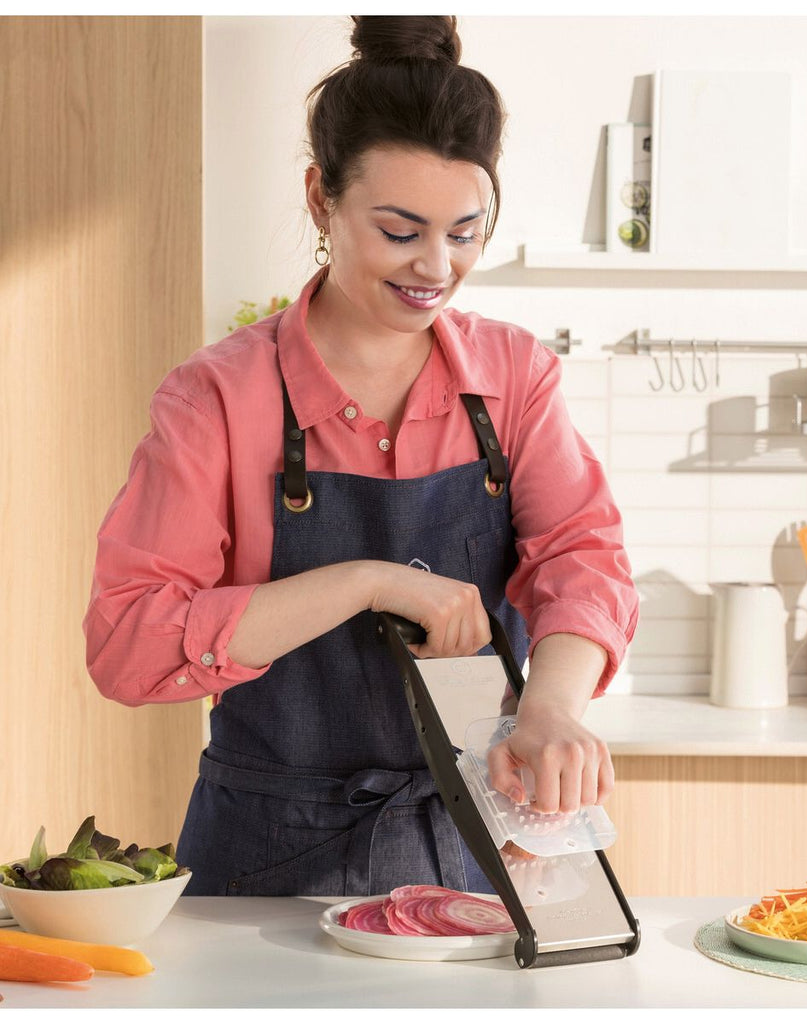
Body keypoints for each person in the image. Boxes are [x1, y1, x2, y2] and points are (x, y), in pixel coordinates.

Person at [84, 15, 638, 898]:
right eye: (400, 229)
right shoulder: (218, 399)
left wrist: (550, 708)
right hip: (264, 859)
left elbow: (581, 559)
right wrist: (367, 581)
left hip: (480, 848)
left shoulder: (514, 376)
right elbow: (129, 645)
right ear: (320, 200)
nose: (436, 266)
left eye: (465, 231)